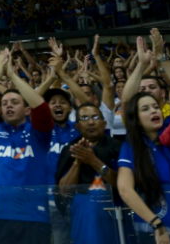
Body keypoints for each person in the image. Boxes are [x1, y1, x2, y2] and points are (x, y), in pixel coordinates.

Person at [0, 49, 54, 244]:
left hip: (35, 217)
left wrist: (13, 77)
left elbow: (41, 109)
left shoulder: (39, 133)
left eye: (14, 102)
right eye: (4, 103)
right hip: (0, 215)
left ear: (26, 109)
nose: (7, 106)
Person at [56, 103, 122, 244]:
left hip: (115, 214)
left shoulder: (119, 147)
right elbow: (63, 191)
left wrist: (93, 161)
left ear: (104, 124)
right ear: (77, 126)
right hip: (83, 217)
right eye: (84, 118)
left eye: (95, 117)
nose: (91, 122)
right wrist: (78, 162)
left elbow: (123, 184)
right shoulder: (70, 149)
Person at [118, 92, 170, 244]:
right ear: (136, 119)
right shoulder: (131, 147)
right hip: (155, 229)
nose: (153, 110)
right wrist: (157, 225)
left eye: (156, 107)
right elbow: (125, 190)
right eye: (145, 109)